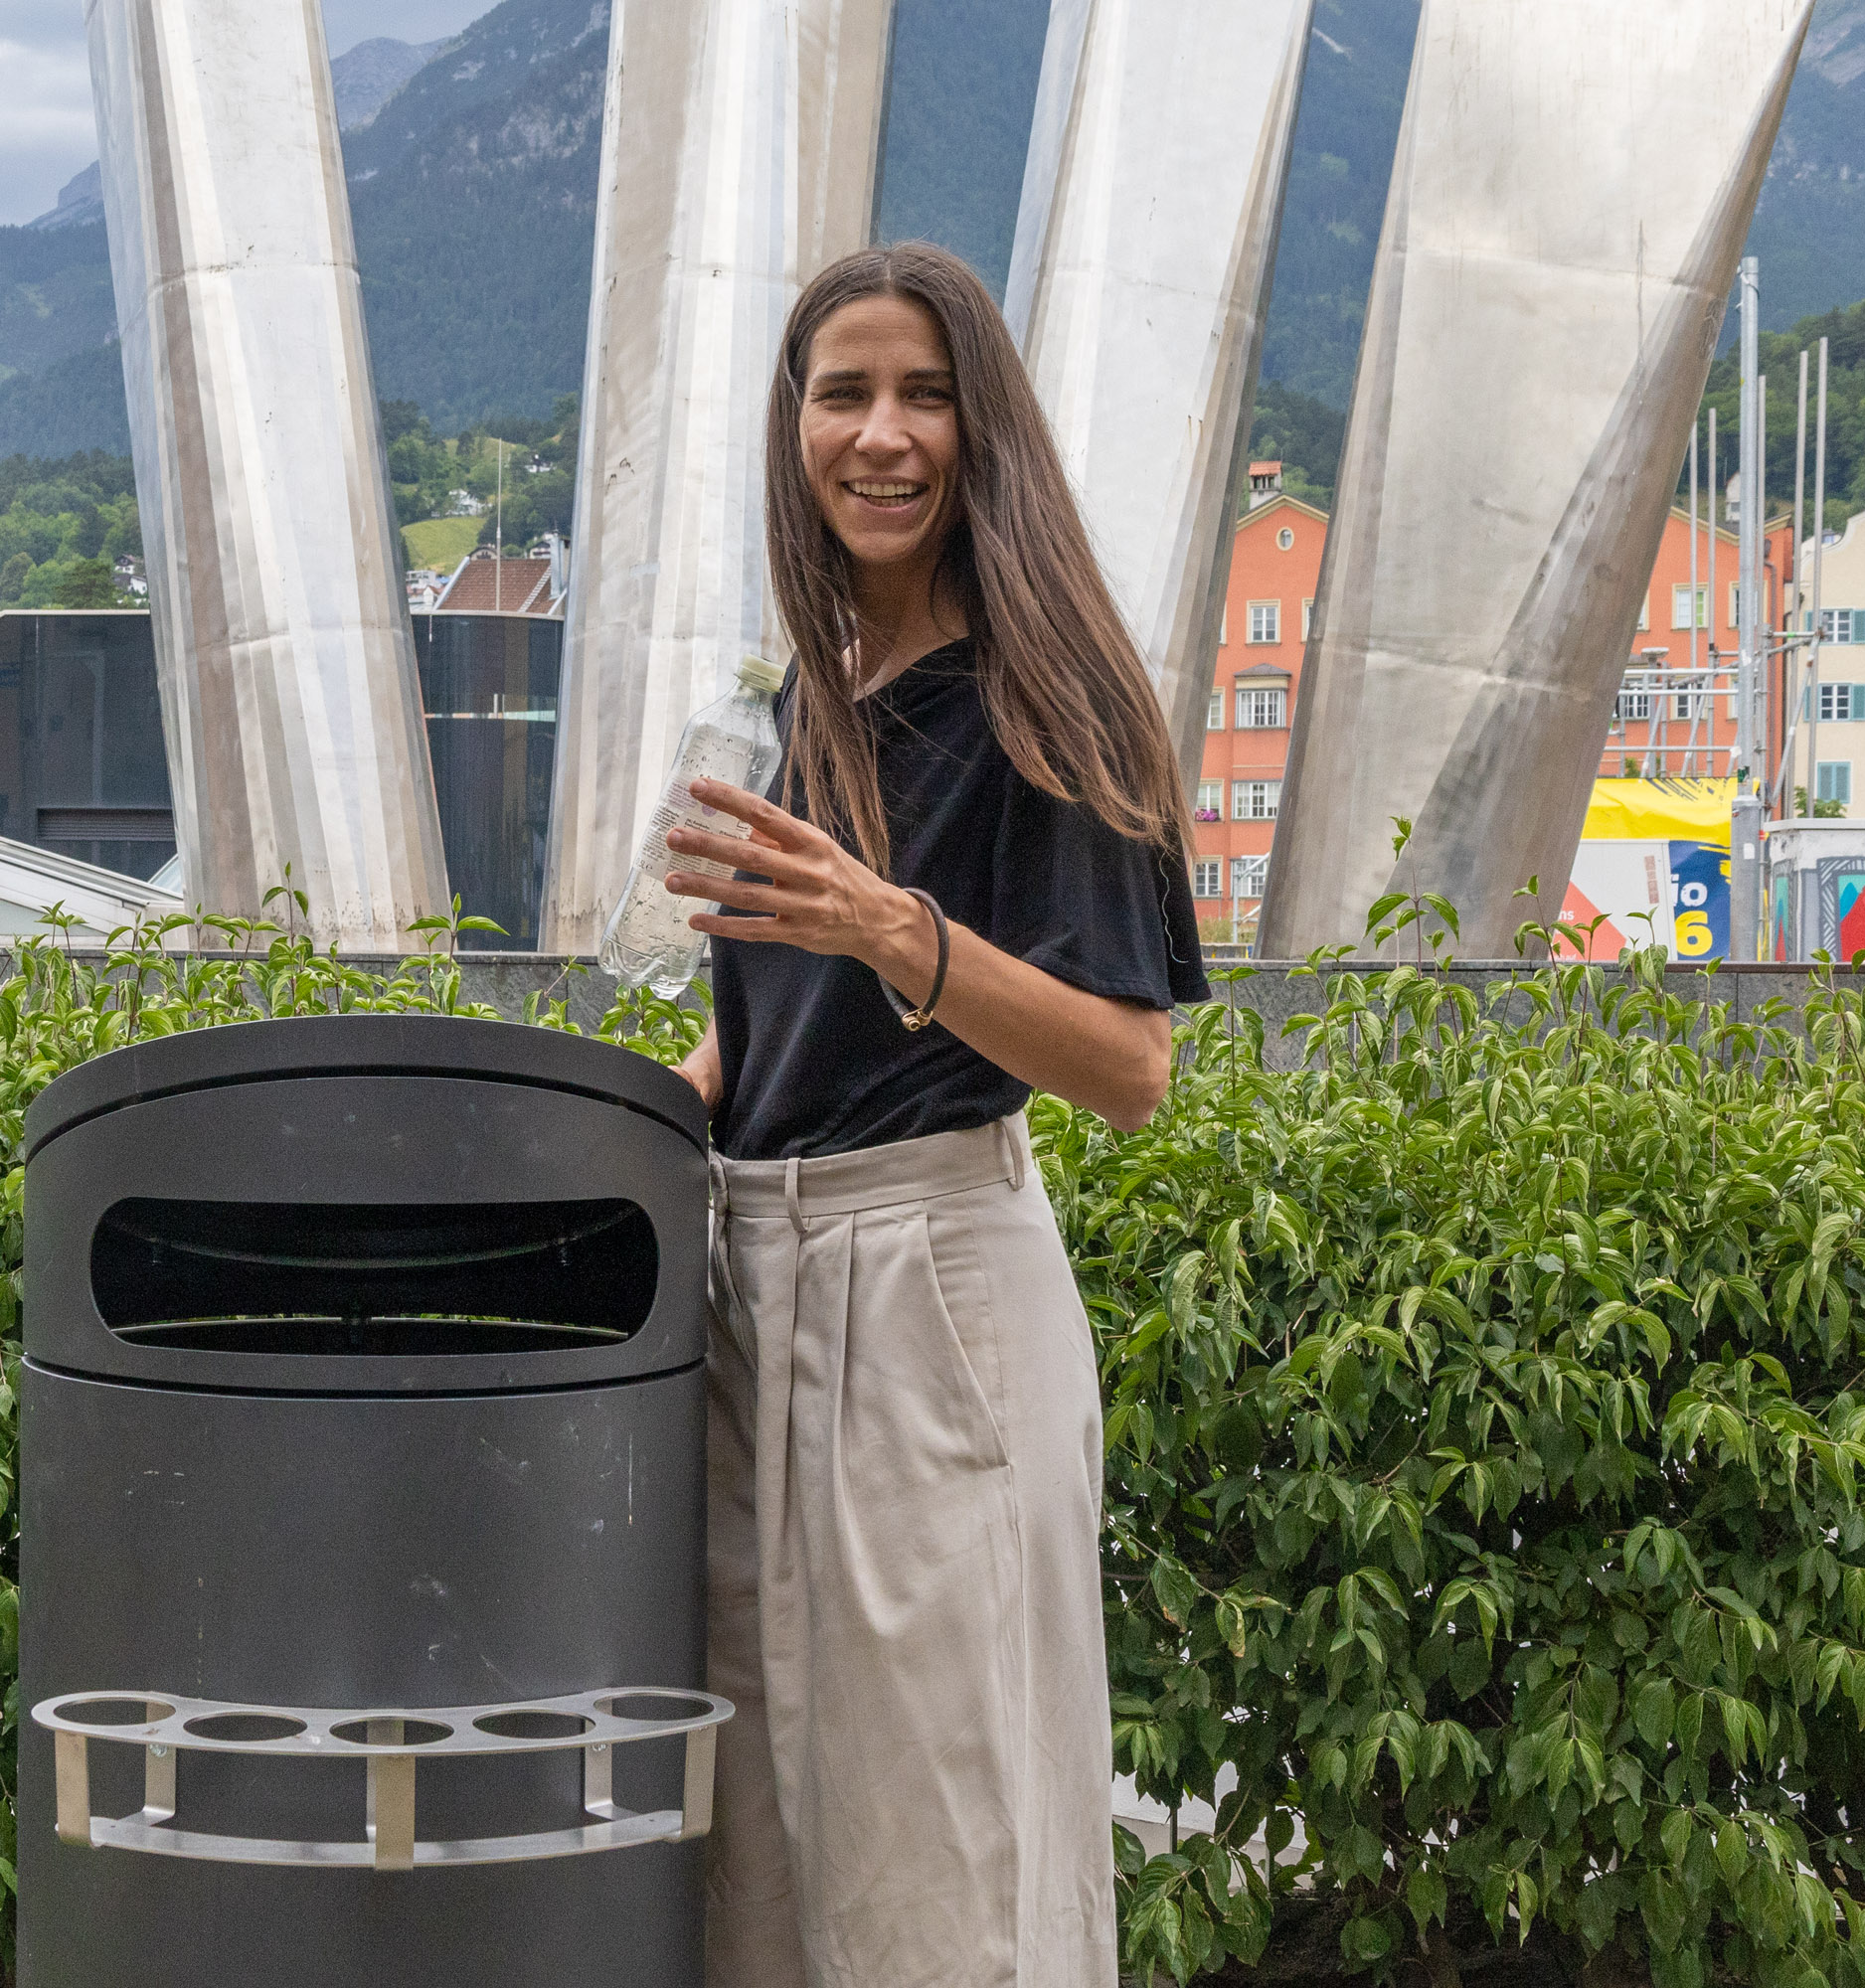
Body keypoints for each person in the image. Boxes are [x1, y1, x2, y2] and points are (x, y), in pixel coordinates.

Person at [660, 241, 1210, 1986]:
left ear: (987, 430)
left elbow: (1129, 1071)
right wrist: (582, 1129)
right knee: (744, 1857)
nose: (880, 436)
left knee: (950, 1870)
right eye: (842, 394)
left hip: (933, 1288)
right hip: (749, 1297)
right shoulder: (797, 717)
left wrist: (895, 926)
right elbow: (760, 1062)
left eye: (923, 394)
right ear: (793, 432)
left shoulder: (1056, 702)